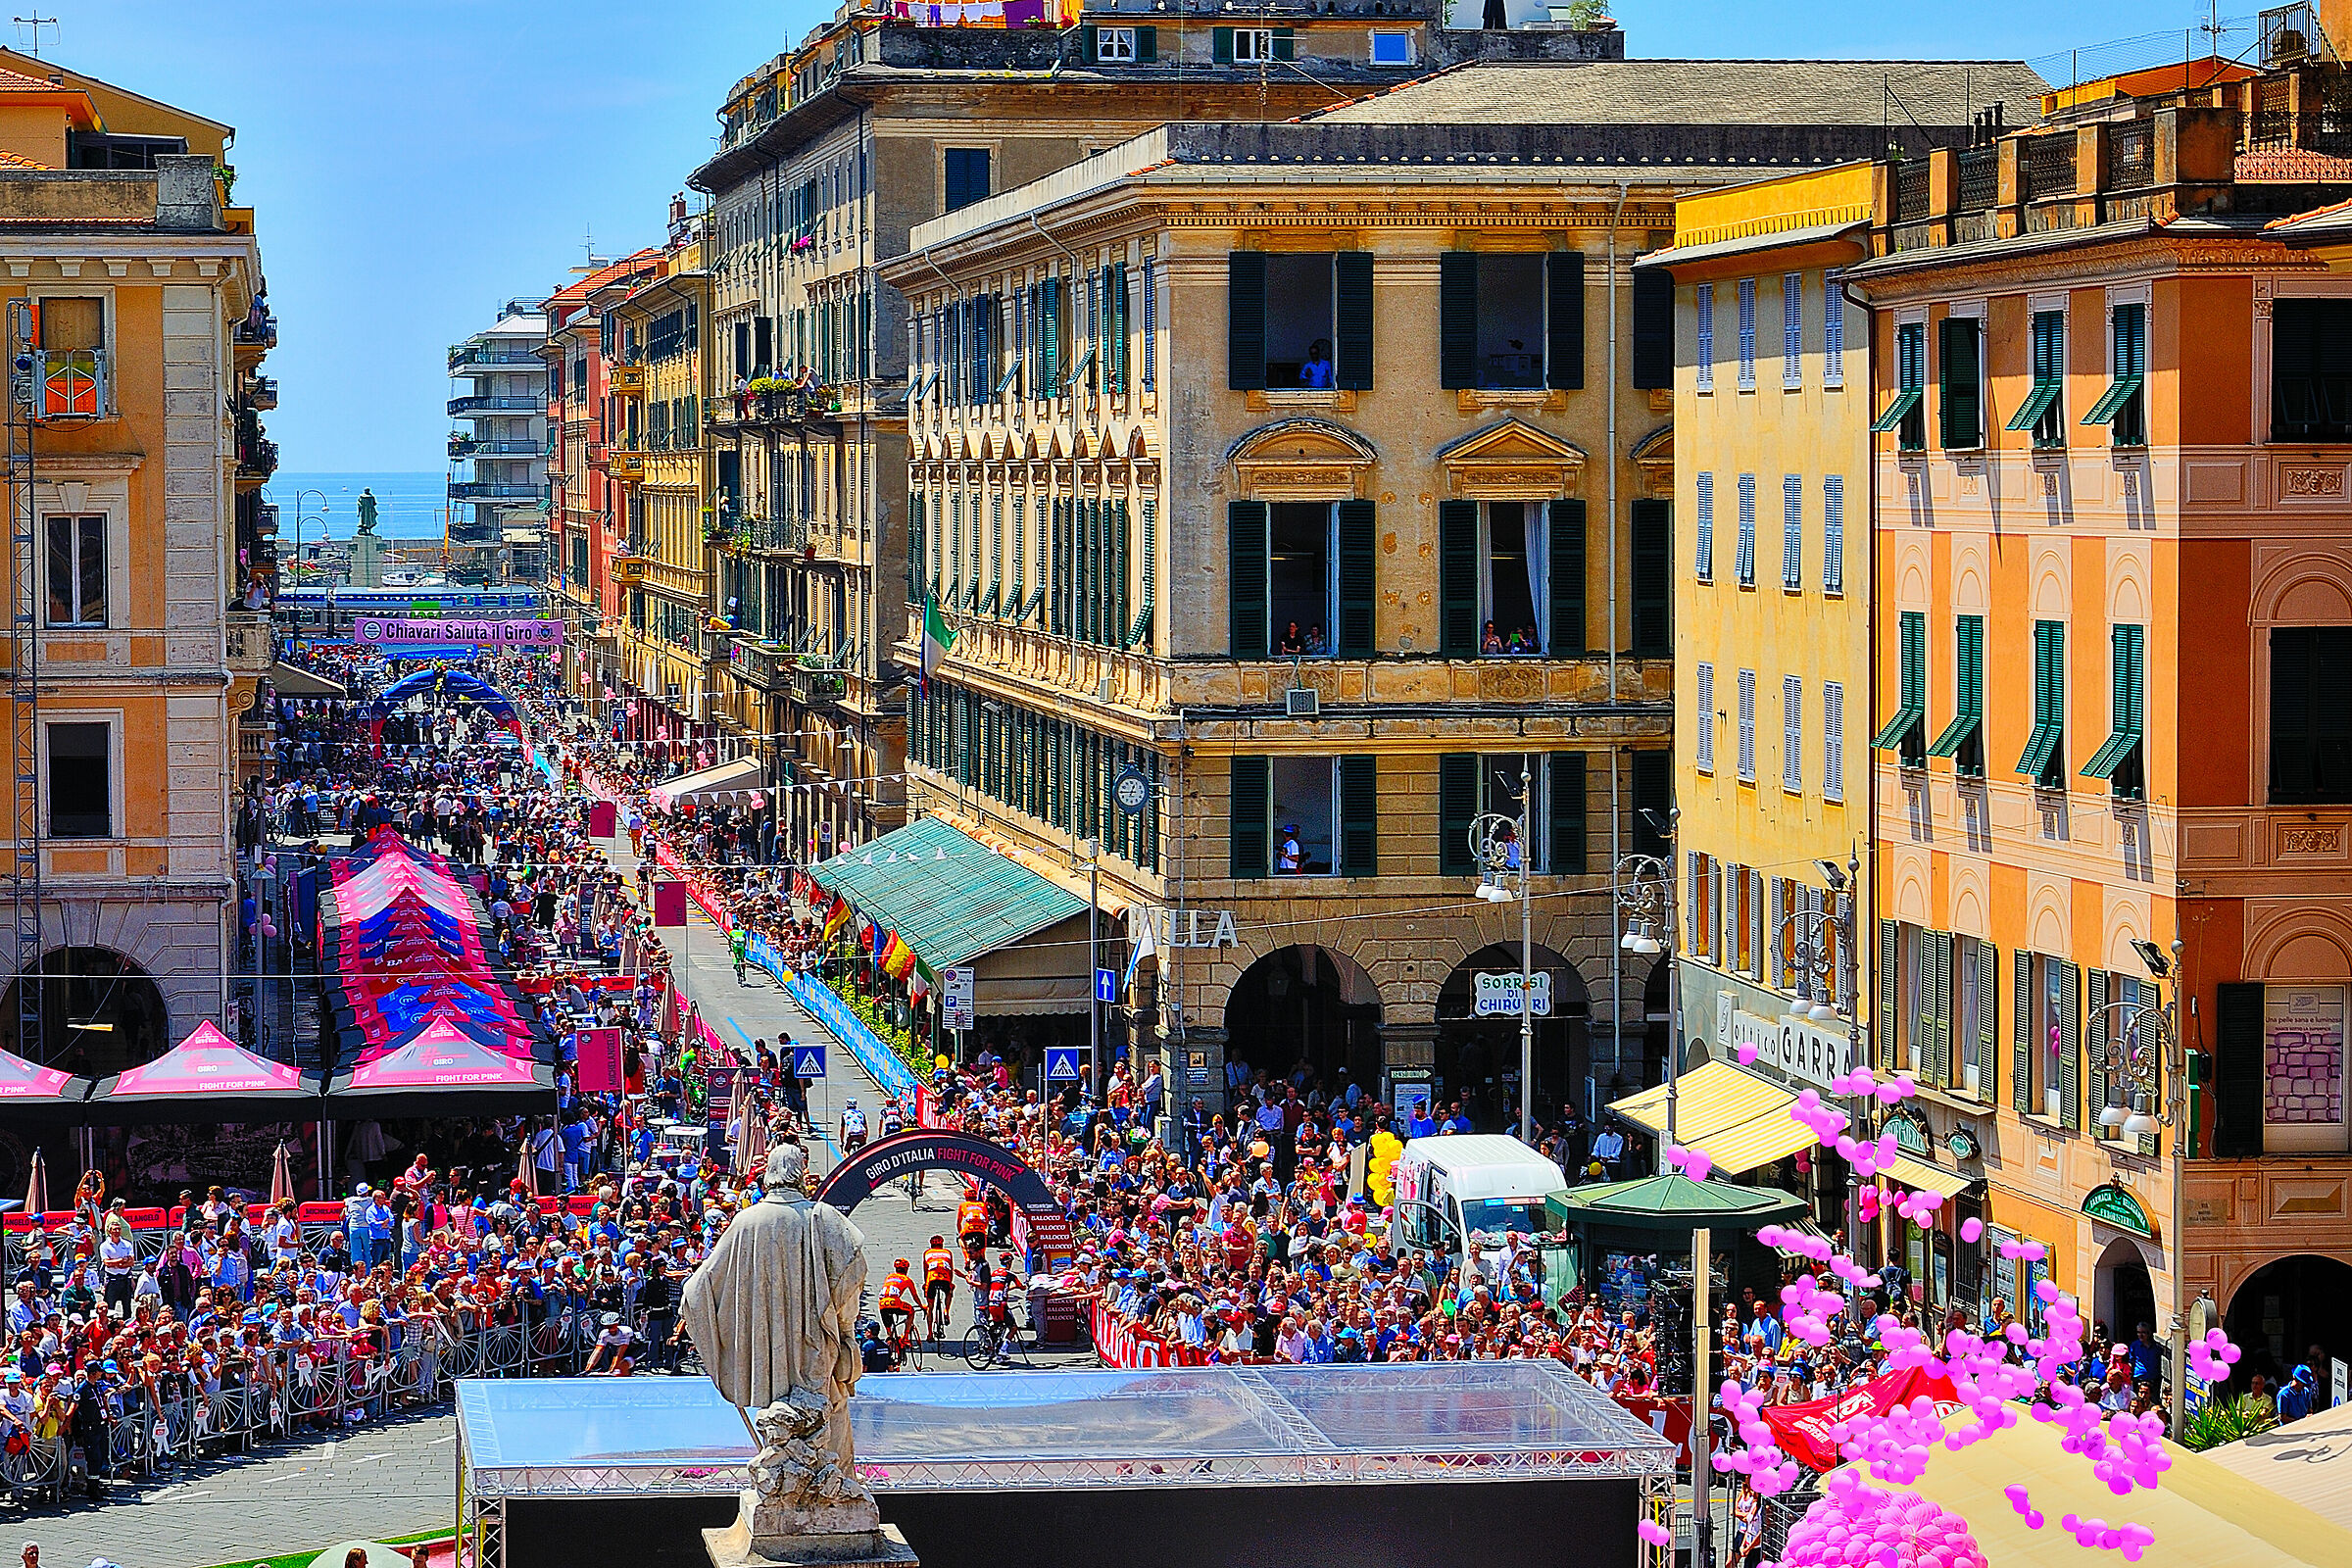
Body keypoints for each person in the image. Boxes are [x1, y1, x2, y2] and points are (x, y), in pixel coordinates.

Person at [878, 1259, 920, 1358]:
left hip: (882, 1305)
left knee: (890, 1332)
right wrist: (922, 1306)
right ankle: (905, 1337)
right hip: (895, 1304)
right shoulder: (907, 1279)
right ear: (906, 1269)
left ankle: (891, 1345)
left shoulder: (889, 1277)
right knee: (911, 1311)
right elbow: (915, 1296)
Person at [922, 1235, 957, 1344]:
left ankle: (929, 1334)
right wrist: (950, 1284)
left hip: (932, 1279)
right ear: (942, 1244)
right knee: (949, 1292)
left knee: (930, 1307)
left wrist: (925, 1284)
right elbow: (950, 1269)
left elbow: (926, 1270)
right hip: (945, 1278)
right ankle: (946, 1311)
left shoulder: (927, 1253)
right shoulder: (947, 1252)